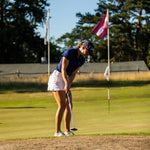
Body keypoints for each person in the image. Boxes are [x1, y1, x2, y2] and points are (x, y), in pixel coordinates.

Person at [47, 41, 94, 137]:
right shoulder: (69, 52)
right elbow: (63, 69)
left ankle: (67, 130)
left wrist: (68, 84)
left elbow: (73, 73)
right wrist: (66, 83)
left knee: (69, 105)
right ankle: (57, 131)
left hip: (66, 78)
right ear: (83, 47)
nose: (88, 54)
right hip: (57, 77)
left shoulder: (82, 60)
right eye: (88, 51)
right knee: (62, 105)